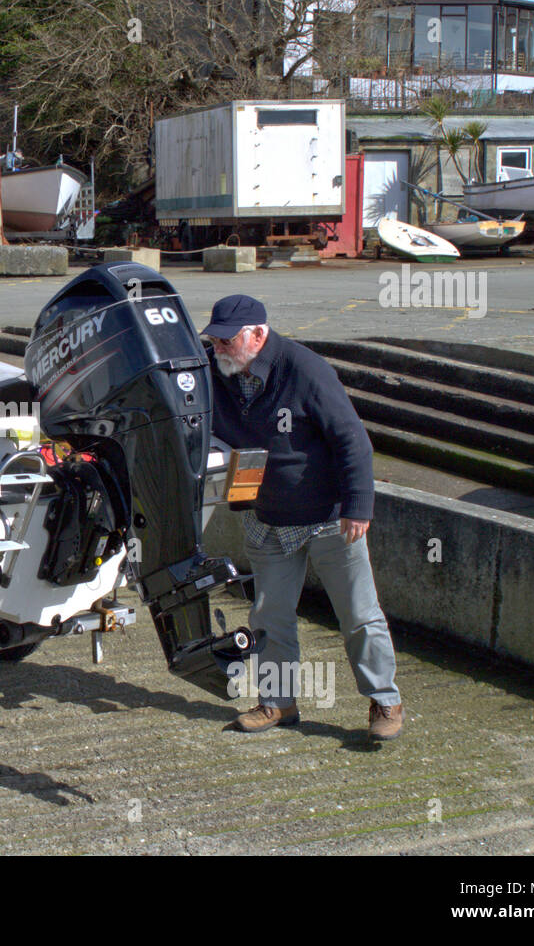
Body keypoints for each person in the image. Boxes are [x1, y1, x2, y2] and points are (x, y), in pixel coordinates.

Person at [203, 294, 404, 741]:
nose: (218, 348)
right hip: (268, 515)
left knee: (358, 614)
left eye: (226, 341)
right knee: (269, 615)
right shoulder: (219, 369)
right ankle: (277, 704)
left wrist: (358, 505)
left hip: (329, 516)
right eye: (213, 340)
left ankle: (385, 701)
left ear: (259, 334)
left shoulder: (306, 370)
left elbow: (352, 440)